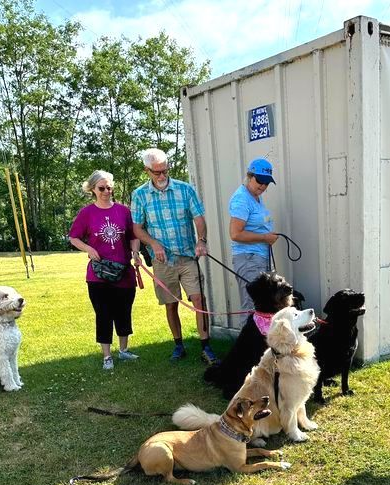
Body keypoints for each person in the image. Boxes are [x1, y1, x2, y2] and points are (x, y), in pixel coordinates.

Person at [131, 148, 219, 365]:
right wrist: (152, 243)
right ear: (147, 171)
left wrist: (201, 240)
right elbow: (137, 228)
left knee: (199, 299)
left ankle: (205, 346)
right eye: (156, 172)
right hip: (162, 260)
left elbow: (198, 218)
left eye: (164, 171)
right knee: (171, 303)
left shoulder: (185, 189)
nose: (162, 176)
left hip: (188, 256)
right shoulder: (139, 195)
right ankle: (178, 344)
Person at [69, 170, 141, 370]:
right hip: (99, 275)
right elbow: (73, 237)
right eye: (101, 188)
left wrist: (135, 253)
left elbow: (133, 236)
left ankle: (124, 350)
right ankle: (107, 356)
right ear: (92, 189)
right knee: (103, 313)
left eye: (109, 187)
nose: (106, 191)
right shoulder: (86, 213)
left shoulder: (124, 211)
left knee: (123, 311)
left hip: (124, 272)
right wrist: (89, 248)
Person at [229, 157, 278, 312]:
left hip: (258, 257)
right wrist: (265, 237)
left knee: (262, 305)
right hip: (248, 259)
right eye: (260, 181)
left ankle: (262, 336)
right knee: (252, 306)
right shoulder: (242, 199)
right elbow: (235, 234)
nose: (263, 186)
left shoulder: (256, 196)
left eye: (267, 182)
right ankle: (248, 336)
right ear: (249, 177)